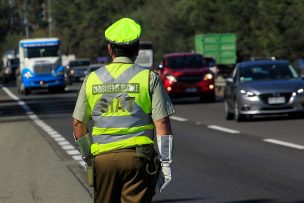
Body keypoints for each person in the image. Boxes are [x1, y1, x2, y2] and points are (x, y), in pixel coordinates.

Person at [72, 17, 175, 203]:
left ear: (110, 49)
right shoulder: (149, 78)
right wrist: (166, 163)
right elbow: (161, 122)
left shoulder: (92, 79)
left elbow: (78, 124)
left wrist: (88, 159)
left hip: (103, 160)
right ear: (137, 50)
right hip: (138, 159)